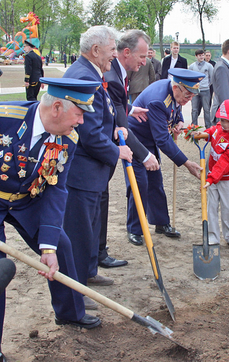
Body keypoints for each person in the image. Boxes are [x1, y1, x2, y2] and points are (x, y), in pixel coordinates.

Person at [0, 77, 103, 334]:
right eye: (79, 114)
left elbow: (56, 189)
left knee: (61, 246)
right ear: (57, 107)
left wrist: (47, 246)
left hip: (27, 199)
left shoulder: (68, 138)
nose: (81, 121)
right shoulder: (0, 116)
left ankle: (70, 313)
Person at [62, 26, 134, 310]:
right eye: (112, 49)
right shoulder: (83, 76)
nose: (115, 54)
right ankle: (76, 293)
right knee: (79, 235)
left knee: (89, 230)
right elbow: (88, 134)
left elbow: (101, 114)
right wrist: (117, 151)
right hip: (81, 172)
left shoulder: (91, 72)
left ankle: (88, 274)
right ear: (95, 51)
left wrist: (116, 125)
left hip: (91, 173)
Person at [125, 69, 203, 245]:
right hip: (135, 140)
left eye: (192, 96)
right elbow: (162, 139)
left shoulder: (175, 94)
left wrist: (179, 121)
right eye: (188, 95)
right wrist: (186, 163)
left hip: (149, 139)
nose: (189, 99)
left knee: (155, 182)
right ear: (176, 87)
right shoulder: (158, 100)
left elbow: (176, 108)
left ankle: (161, 223)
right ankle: (135, 229)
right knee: (139, 184)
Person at [102, 29, 159, 250]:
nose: (145, 62)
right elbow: (121, 127)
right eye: (142, 57)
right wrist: (145, 155)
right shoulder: (113, 76)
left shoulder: (118, 74)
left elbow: (116, 104)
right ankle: (96, 256)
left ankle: (98, 254)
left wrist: (130, 108)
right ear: (126, 52)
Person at [192, 99, 229, 250]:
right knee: (211, 207)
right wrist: (203, 134)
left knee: (228, 208)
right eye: (222, 120)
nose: (225, 124)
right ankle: (212, 236)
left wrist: (211, 178)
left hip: (227, 178)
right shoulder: (219, 127)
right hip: (212, 176)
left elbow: (225, 163)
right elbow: (212, 132)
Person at [211, 39, 229, 123]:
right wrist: (228, 117)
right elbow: (223, 95)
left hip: (225, 114)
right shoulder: (221, 68)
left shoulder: (225, 65)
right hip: (223, 116)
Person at [188, 49, 214, 128]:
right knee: (194, 109)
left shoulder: (209, 66)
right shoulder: (192, 66)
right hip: (195, 90)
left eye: (203, 55)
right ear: (196, 56)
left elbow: (212, 77)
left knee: (206, 109)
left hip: (205, 90)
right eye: (200, 55)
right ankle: (194, 126)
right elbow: (189, 77)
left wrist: (207, 85)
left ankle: (208, 126)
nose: (201, 57)